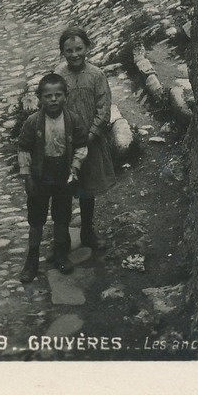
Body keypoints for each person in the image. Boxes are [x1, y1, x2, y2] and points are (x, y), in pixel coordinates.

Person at [17, 73, 89, 283]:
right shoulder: (33, 122)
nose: (54, 99)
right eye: (48, 96)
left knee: (62, 216)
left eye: (58, 95)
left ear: (66, 96)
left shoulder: (72, 120)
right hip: (41, 176)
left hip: (62, 176)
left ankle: (60, 252)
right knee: (36, 219)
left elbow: (81, 146)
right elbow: (23, 148)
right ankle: (31, 258)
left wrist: (75, 167)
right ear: (40, 98)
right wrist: (27, 177)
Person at [55, 27, 116, 252]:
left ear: (87, 48)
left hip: (91, 141)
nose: (74, 54)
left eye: (79, 49)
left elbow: (103, 107)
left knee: (88, 188)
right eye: (68, 50)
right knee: (64, 188)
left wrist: (90, 135)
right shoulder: (59, 75)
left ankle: (87, 231)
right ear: (62, 52)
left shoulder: (96, 75)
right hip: (65, 143)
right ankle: (61, 237)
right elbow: (52, 105)